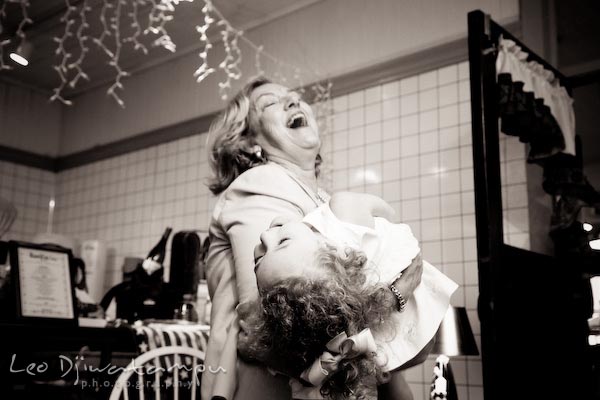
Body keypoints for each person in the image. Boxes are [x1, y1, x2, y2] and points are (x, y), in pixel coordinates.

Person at [201, 78, 424, 400]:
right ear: (250, 143)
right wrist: (393, 298)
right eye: (270, 103)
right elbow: (270, 319)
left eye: (294, 97)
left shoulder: (321, 198)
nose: (293, 103)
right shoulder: (263, 183)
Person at [237, 192, 458, 400]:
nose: (264, 235)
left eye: (280, 243)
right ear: (339, 250)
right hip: (414, 326)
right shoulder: (343, 213)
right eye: (260, 260)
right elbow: (391, 214)